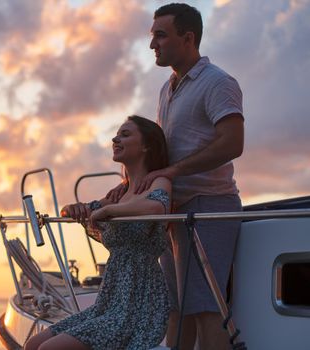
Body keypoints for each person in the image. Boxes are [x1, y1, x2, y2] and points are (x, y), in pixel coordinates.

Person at [110, 3, 244, 350]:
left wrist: (172, 171)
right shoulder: (167, 89)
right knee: (176, 308)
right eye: (152, 35)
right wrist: (128, 186)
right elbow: (166, 153)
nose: (152, 44)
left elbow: (233, 143)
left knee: (205, 308)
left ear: (188, 38)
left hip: (209, 208)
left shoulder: (218, 83)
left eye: (160, 35)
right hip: (175, 212)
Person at [24, 116, 172, 350]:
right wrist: (72, 209)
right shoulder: (119, 193)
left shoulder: (158, 182)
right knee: (33, 345)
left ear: (146, 146)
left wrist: (111, 210)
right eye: (117, 134)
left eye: (125, 134)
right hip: (110, 301)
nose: (115, 138)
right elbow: (84, 210)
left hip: (139, 304)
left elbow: (158, 206)